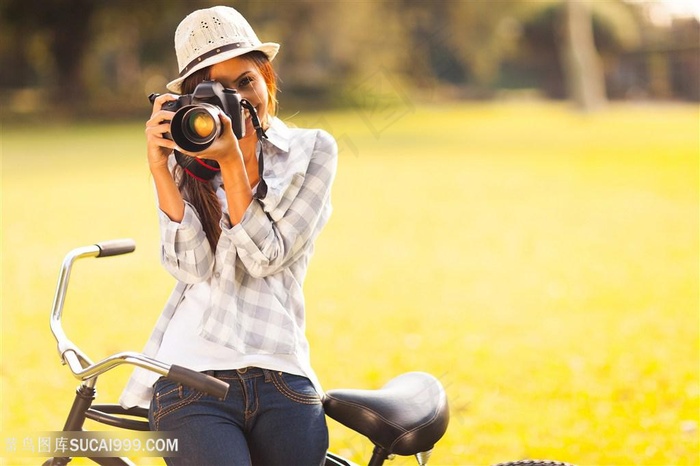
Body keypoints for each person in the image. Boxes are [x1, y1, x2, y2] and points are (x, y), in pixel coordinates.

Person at [119, 6, 337, 465]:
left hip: (281, 370)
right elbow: (190, 267)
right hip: (190, 376)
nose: (236, 99)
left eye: (245, 82)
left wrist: (233, 163)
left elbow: (265, 257)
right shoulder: (186, 155)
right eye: (217, 89)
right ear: (193, 99)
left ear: (267, 80)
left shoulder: (312, 150)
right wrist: (160, 167)